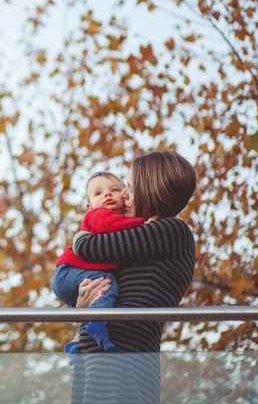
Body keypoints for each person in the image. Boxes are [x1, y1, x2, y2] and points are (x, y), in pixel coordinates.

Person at [69, 150, 197, 404]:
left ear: (151, 189)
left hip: (123, 356)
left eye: (129, 186)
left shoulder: (170, 230)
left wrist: (81, 234)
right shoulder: (144, 240)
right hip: (104, 352)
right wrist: (83, 309)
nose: (123, 194)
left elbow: (88, 247)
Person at [52, 171, 145, 351]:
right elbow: (111, 226)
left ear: (125, 195)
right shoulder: (98, 216)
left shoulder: (120, 220)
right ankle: (97, 321)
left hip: (73, 274)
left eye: (114, 189)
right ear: (89, 207)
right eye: (98, 193)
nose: (107, 194)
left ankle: (77, 341)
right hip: (71, 270)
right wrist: (142, 223)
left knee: (96, 295)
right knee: (108, 284)